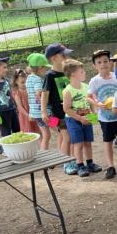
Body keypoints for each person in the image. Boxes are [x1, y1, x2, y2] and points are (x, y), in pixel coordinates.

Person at [62, 59, 101, 177]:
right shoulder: (67, 91)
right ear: (73, 74)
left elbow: (90, 102)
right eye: (82, 71)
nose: (84, 73)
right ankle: (80, 165)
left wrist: (93, 115)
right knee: (78, 144)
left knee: (88, 142)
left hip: (87, 118)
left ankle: (90, 163)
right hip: (73, 120)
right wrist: (79, 118)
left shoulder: (86, 86)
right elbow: (66, 109)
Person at [41, 43, 76, 175]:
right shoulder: (50, 75)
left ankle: (67, 159)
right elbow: (45, 94)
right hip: (57, 113)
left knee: (66, 136)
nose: (67, 57)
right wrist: (43, 111)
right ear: (53, 58)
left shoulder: (68, 72)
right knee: (67, 137)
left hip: (70, 111)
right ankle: (66, 163)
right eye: (63, 55)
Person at [86, 49, 117, 179]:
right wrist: (97, 104)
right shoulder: (95, 81)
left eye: (105, 61)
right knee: (108, 141)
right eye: (99, 62)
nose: (103, 64)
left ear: (110, 62)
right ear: (95, 66)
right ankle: (111, 166)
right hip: (105, 118)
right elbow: (88, 97)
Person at [26, 53, 52, 150]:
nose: (46, 71)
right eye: (45, 68)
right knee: (60, 130)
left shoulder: (29, 78)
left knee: (46, 135)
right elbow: (38, 93)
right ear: (40, 68)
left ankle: (44, 154)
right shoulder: (37, 79)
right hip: (44, 113)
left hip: (35, 113)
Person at [12, 69, 38, 134]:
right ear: (16, 82)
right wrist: (27, 115)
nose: (25, 84)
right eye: (22, 82)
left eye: (26, 82)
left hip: (33, 113)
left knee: (38, 131)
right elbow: (20, 107)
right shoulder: (17, 93)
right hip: (25, 115)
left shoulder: (30, 89)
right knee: (29, 133)